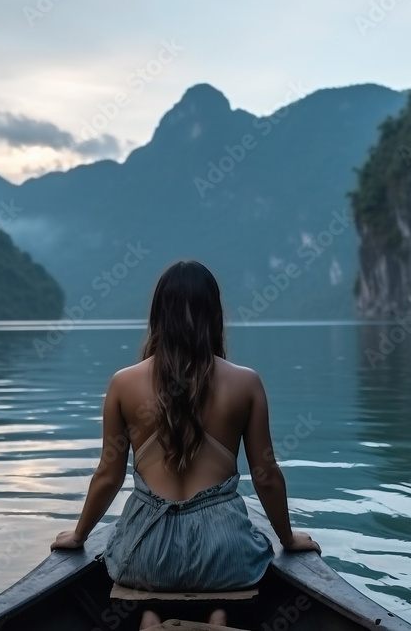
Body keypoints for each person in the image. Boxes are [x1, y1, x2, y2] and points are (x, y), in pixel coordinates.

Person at [51, 260, 320, 629]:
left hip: (144, 556)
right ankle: (218, 615)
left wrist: (79, 534)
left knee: (145, 580)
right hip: (225, 554)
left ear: (157, 315)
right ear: (215, 314)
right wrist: (287, 538)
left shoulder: (123, 384)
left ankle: (150, 616)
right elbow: (267, 476)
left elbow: (107, 476)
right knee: (234, 569)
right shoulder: (246, 383)